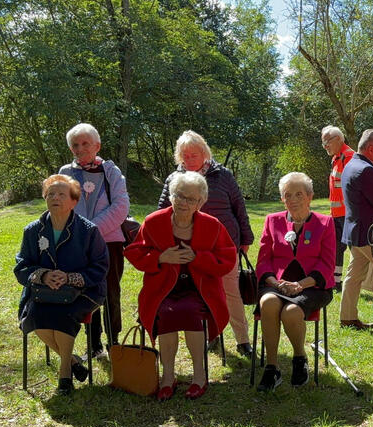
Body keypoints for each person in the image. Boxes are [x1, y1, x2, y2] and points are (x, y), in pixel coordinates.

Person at [125, 172, 237, 401]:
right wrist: (160, 257)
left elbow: (227, 260)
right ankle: (168, 377)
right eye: (179, 196)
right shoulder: (154, 221)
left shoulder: (212, 225)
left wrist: (197, 257)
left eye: (191, 199)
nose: (184, 202)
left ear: (200, 202)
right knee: (166, 312)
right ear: (171, 196)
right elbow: (135, 252)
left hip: (200, 290)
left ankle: (199, 376)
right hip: (163, 288)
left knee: (188, 311)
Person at [158, 130, 255, 357]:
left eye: (194, 154)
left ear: (205, 153)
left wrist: (246, 238)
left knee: (231, 292)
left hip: (224, 244)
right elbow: (162, 211)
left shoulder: (223, 176)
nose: (190, 159)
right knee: (201, 294)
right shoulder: (174, 179)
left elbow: (239, 207)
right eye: (185, 155)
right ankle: (213, 336)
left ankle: (242, 341)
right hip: (190, 247)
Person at [14, 175, 109, 395]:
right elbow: (21, 266)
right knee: (35, 316)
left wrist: (69, 278)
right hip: (43, 292)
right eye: (50, 194)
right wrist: (44, 275)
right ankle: (74, 361)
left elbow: (100, 267)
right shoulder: (32, 231)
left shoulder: (88, 231)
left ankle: (64, 374)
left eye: (61, 194)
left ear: (74, 201)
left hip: (85, 291)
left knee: (63, 315)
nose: (55, 198)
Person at [254, 172, 336, 392]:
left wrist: (300, 285)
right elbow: (262, 261)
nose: (293, 199)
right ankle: (272, 368)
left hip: (313, 286)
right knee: (268, 304)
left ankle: (299, 358)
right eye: (287, 195)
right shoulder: (273, 221)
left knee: (291, 312)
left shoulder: (325, 223)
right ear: (282, 199)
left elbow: (327, 265)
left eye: (299, 194)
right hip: (277, 283)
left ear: (309, 196)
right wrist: (275, 282)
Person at [58, 123, 128, 359]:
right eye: (75, 145)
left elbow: (121, 206)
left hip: (109, 243)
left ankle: (114, 341)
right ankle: (94, 344)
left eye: (85, 143)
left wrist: (91, 230)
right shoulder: (65, 172)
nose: (80, 148)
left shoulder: (111, 171)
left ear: (97, 146)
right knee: (86, 292)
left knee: (110, 292)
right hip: (78, 245)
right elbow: (60, 206)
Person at [338, 129, 373, 330]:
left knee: (353, 276)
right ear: (371, 148)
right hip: (369, 234)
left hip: (354, 232)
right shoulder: (367, 170)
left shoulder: (350, 165)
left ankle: (347, 317)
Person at [322, 125, 355, 291]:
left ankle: (352, 283)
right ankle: (336, 283)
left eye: (327, 141)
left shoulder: (349, 157)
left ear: (339, 139)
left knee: (356, 252)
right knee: (336, 249)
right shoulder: (337, 158)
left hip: (348, 214)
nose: (325, 146)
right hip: (337, 214)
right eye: (323, 143)